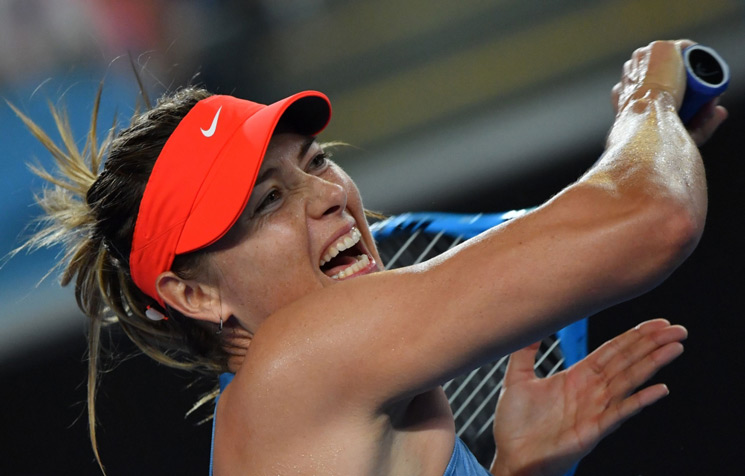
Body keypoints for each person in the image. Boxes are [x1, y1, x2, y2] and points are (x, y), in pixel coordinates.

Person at [14, 39, 726, 475]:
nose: (327, 196)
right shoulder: (299, 364)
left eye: (316, 161)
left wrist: (519, 471)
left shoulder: (309, 407)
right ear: (195, 295)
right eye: (267, 202)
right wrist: (648, 102)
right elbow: (654, 217)